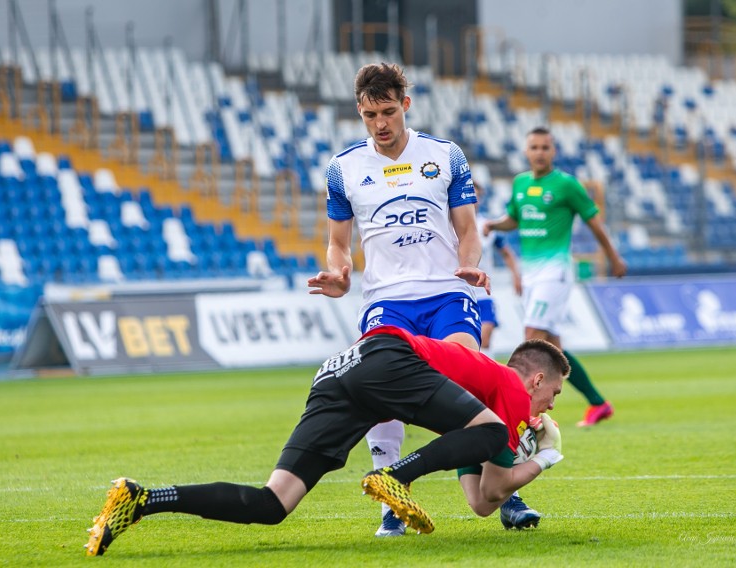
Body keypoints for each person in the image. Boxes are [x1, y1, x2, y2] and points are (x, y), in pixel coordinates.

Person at [85, 325, 569, 556]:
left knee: (274, 502)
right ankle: (392, 477)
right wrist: (547, 455)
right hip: (388, 354)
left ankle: (141, 499)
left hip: (339, 372)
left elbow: (481, 502)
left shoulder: (484, 406)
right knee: (487, 432)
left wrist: (516, 452)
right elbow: (495, 488)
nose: (550, 405)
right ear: (535, 379)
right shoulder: (507, 386)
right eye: (554, 393)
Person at [307, 62, 489, 536]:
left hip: (446, 291)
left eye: (388, 111)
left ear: (405, 105)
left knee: (469, 385)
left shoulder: (445, 156)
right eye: (369, 115)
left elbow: (467, 230)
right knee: (380, 395)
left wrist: (469, 265)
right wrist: (339, 272)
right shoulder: (343, 168)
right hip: (385, 299)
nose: (380, 124)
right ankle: (391, 500)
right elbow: (338, 243)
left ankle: (503, 488)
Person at [485, 126, 627, 429]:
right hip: (532, 273)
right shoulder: (520, 183)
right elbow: (514, 218)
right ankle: (598, 403)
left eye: (545, 147)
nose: (539, 152)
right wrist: (494, 225)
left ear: (554, 151)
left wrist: (614, 258)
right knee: (554, 350)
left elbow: (595, 223)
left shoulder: (566, 185)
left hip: (556, 272)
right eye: (534, 147)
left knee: (530, 341)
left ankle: (522, 414)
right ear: (526, 151)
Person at [473, 181, 522, 353]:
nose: (474, 199)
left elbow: (507, 253)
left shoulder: (488, 225)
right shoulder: (449, 224)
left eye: (477, 196)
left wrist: (516, 276)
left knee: (484, 340)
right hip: (459, 293)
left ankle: (485, 378)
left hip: (484, 294)